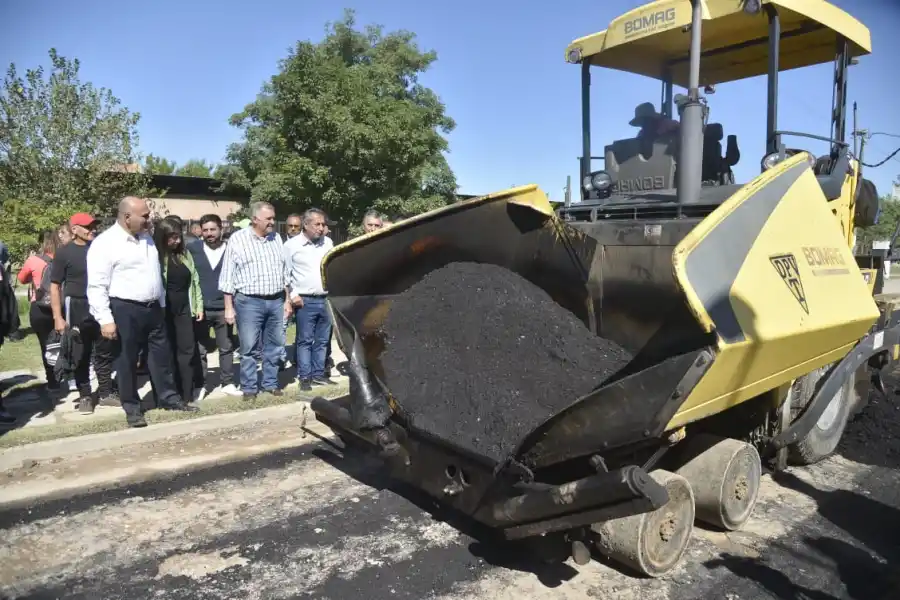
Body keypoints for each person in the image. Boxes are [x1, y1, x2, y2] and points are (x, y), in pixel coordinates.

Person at [87, 197, 197, 428]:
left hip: (154, 308)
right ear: (127, 217)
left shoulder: (146, 238)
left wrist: (162, 305)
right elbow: (96, 285)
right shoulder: (106, 243)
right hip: (125, 308)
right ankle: (133, 408)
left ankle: (168, 398)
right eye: (144, 216)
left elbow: (155, 274)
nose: (149, 219)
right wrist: (105, 320)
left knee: (161, 357)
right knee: (126, 360)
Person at [218, 201, 292, 400]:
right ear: (254, 219)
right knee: (249, 347)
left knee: (275, 345)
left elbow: (284, 271)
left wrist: (286, 300)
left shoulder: (276, 238)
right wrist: (228, 307)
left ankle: (270, 383)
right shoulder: (237, 239)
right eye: (268, 219)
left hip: (276, 300)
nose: (272, 222)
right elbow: (227, 276)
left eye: (273, 218)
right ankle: (249, 387)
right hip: (249, 302)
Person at [50, 213, 117, 414]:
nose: (91, 230)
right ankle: (86, 395)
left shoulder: (100, 249)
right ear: (74, 229)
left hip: (101, 305)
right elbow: (55, 287)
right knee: (80, 353)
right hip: (77, 306)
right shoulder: (64, 252)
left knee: (105, 349)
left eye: (93, 226)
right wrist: (58, 317)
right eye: (87, 226)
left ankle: (105, 393)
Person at [189, 214, 241, 396]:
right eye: (205, 230)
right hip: (200, 309)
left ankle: (227, 382)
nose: (209, 233)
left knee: (226, 347)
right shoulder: (192, 249)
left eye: (213, 229)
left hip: (223, 308)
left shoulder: (231, 250)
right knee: (200, 349)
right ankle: (200, 384)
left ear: (221, 229)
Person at [155, 216, 205, 404]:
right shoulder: (157, 257)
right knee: (166, 352)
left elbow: (195, 281)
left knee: (187, 350)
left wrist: (198, 306)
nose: (176, 241)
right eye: (171, 237)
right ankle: (169, 394)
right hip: (164, 310)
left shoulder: (185, 254)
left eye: (178, 237)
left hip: (184, 308)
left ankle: (186, 393)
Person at [285, 208, 335, 391]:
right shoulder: (292, 246)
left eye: (323, 224)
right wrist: (292, 296)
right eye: (317, 224)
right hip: (304, 301)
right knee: (305, 340)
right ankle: (305, 377)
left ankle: (319, 374)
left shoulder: (328, 242)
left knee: (322, 340)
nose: (321, 228)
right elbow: (285, 274)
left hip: (326, 299)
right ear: (305, 225)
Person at [17, 231, 60, 388]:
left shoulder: (33, 260)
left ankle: (53, 381)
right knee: (66, 342)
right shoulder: (63, 258)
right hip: (61, 305)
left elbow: (21, 279)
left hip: (40, 306)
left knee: (45, 345)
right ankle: (70, 378)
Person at [279, 213, 304, 368]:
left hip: (303, 293)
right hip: (285, 293)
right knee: (281, 327)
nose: (293, 229)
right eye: (291, 226)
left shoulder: (305, 244)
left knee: (302, 329)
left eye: (296, 226)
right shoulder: (280, 244)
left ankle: (298, 359)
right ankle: (280, 359)